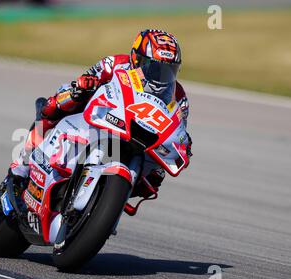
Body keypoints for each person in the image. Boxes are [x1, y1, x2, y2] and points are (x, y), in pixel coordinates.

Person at [10, 29, 192, 200]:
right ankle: (22, 164)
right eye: (154, 68)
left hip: (140, 135)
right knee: (56, 104)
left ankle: (108, 199)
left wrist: (185, 144)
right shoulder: (114, 63)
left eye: (169, 70)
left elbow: (179, 126)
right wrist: (84, 86)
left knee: (156, 176)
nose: (160, 76)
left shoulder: (179, 96)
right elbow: (84, 79)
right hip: (102, 115)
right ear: (137, 59)